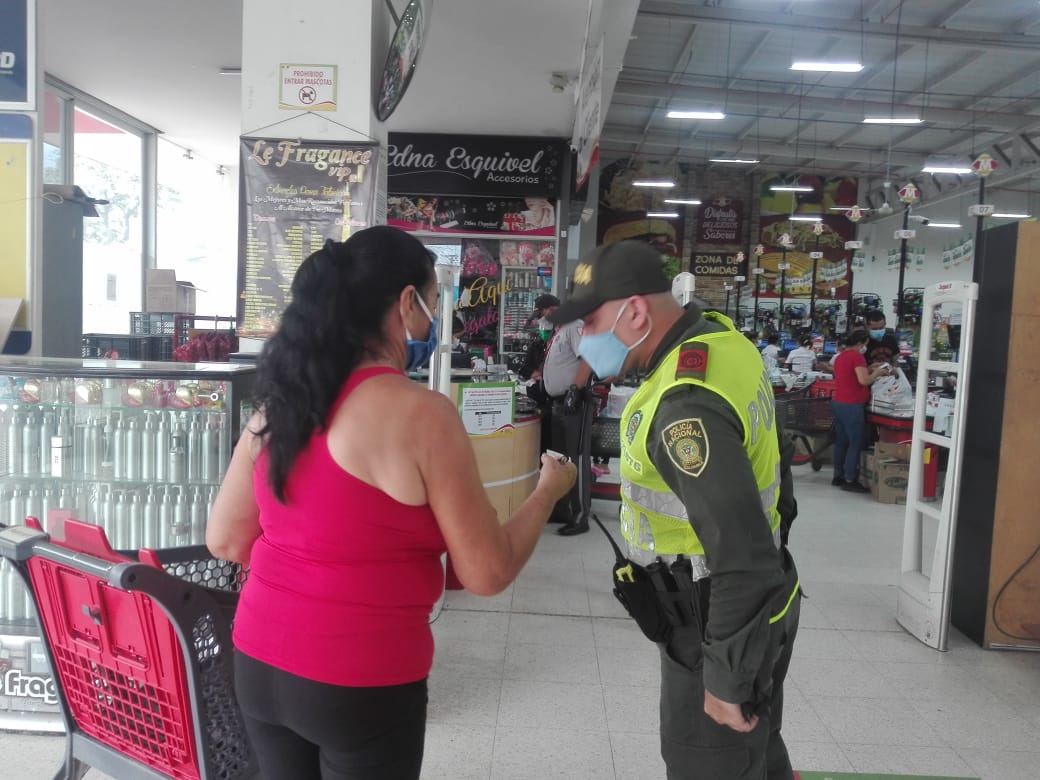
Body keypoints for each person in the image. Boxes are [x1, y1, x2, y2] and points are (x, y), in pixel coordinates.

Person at [206, 226, 575, 780]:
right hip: (363, 677)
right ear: (407, 302)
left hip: (259, 661)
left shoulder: (276, 407)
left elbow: (226, 540)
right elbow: (487, 571)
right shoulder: (420, 415)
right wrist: (547, 491)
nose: (431, 318)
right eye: (431, 301)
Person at [549, 241, 801, 780]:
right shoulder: (723, 340)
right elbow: (777, 471)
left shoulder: (684, 406)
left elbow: (740, 551)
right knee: (756, 753)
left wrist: (726, 678)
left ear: (635, 311)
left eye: (590, 324)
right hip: (761, 607)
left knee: (709, 762)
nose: (583, 341)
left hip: (715, 622)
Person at [539, 317, 593, 535]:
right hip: (557, 404)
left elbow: (587, 359)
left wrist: (575, 390)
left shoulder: (574, 326)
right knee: (559, 459)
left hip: (574, 403)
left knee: (575, 458)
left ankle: (580, 516)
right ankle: (563, 510)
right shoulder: (559, 329)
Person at [831, 330, 892, 492]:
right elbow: (863, 380)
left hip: (838, 402)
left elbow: (850, 375)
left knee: (842, 441)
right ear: (860, 343)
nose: (865, 347)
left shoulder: (841, 356)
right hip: (852, 404)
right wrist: (878, 373)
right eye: (865, 344)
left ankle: (838, 476)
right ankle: (850, 479)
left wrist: (870, 368)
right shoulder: (857, 356)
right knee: (855, 442)